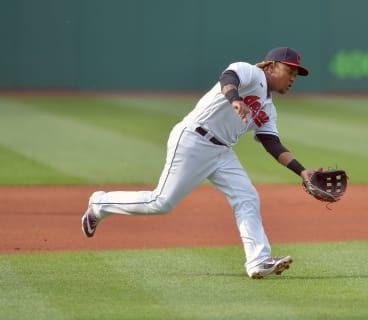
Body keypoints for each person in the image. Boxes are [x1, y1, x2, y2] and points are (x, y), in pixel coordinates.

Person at [82, 47, 316, 279]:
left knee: (247, 197)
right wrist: (234, 100)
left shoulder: (268, 108)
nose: (293, 77)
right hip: (194, 139)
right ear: (272, 66)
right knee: (161, 202)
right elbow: (228, 77)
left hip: (221, 151)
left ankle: (258, 261)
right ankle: (100, 203)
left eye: (297, 74)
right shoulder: (251, 73)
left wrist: (302, 171)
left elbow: (272, 143)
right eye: (290, 70)